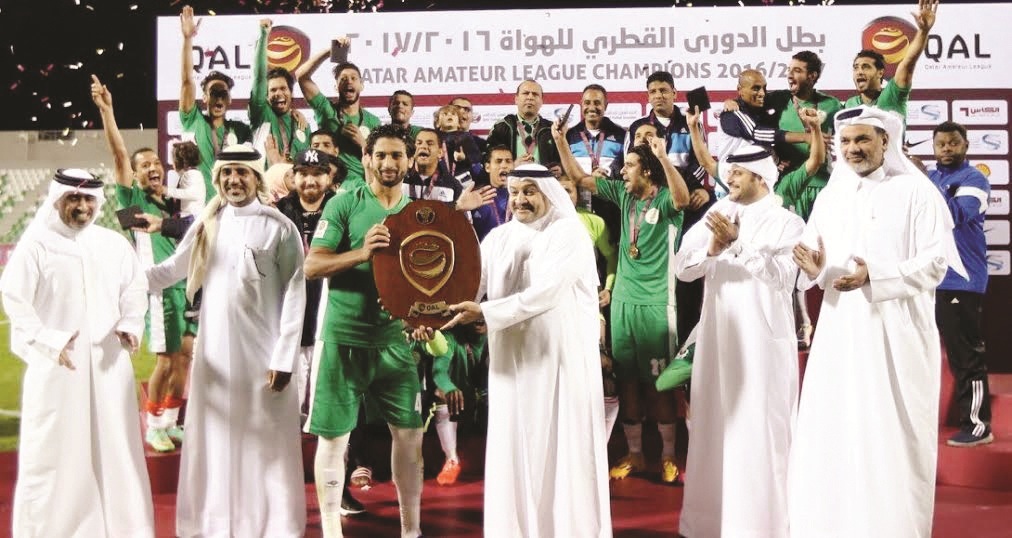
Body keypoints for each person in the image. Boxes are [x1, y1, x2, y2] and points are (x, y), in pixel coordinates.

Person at [789, 105, 965, 537]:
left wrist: (876, 275)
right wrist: (815, 269)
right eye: (846, 141)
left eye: (863, 139)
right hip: (839, 332)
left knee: (891, 437)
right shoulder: (832, 195)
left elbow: (935, 263)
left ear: (886, 141)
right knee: (836, 431)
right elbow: (818, 263)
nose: (853, 149)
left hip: (896, 334)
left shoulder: (917, 192)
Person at [442, 163, 611, 538]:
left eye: (530, 191)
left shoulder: (569, 232)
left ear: (548, 194)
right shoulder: (498, 238)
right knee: (515, 446)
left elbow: (547, 292)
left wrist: (485, 312)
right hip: (510, 362)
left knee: (559, 448)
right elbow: (471, 286)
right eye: (515, 191)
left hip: (559, 360)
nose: (520, 199)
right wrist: (434, 310)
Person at [146, 145, 308, 537]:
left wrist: (284, 358)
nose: (234, 181)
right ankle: (220, 525)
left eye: (243, 173)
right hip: (215, 357)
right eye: (227, 173)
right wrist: (115, 279)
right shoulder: (207, 225)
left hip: (265, 359)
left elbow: (295, 292)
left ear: (256, 178)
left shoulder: (279, 226)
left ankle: (275, 527)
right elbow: (169, 271)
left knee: (266, 444)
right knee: (217, 442)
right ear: (218, 179)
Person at [1, 169, 154, 538]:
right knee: (53, 452)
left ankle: (121, 528)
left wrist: (131, 323)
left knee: (116, 446)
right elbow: (15, 299)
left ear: (98, 203)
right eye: (74, 198)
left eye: (88, 199)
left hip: (108, 365)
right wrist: (48, 340)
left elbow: (134, 289)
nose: (82, 206)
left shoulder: (112, 244)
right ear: (57, 200)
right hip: (56, 367)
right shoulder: (36, 243)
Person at [673, 146, 803, 537]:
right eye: (729, 174)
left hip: (763, 342)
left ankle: (761, 526)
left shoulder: (788, 222)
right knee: (714, 425)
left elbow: (783, 278)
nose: (728, 179)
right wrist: (712, 250)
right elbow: (682, 269)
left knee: (759, 429)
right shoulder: (717, 214)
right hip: (717, 338)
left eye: (737, 174)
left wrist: (737, 246)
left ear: (761, 178)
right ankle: (710, 525)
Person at [304, 124, 426, 538]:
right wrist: (362, 252)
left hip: (395, 345)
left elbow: (428, 280)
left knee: (410, 437)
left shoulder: (420, 213)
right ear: (368, 159)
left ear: (409, 161)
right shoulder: (343, 204)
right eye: (382, 156)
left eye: (397, 156)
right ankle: (330, 531)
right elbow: (312, 266)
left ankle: (412, 531)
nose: (389, 164)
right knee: (335, 440)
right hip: (345, 340)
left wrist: (422, 317)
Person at [553, 121, 690, 483]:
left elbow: (683, 199)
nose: (621, 171)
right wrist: (558, 140)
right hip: (624, 304)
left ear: (646, 170)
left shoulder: (663, 198)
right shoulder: (624, 195)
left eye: (628, 166)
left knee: (659, 384)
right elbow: (581, 179)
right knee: (627, 380)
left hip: (658, 304)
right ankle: (634, 454)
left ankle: (669, 456)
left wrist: (663, 158)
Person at [91, 74, 193, 453]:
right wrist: (108, 112)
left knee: (184, 357)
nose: (153, 168)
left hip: (185, 287)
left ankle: (170, 420)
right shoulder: (133, 203)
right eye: (145, 165)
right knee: (166, 360)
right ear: (134, 176)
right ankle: (152, 424)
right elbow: (118, 155)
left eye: (156, 163)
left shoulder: (175, 202)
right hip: (157, 289)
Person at [929, 120, 994, 447]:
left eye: (953, 143)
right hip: (928, 279)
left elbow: (954, 215)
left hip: (961, 280)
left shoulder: (974, 178)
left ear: (965, 145)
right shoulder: (930, 177)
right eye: (941, 144)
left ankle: (979, 425)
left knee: (965, 355)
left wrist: (927, 186)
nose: (947, 149)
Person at [178, 5, 252, 198]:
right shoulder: (194, 120)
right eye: (214, 93)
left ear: (230, 99)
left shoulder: (241, 130)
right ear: (204, 98)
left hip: (232, 207)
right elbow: (187, 81)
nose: (218, 98)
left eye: (223, 93)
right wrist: (188, 40)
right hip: (200, 211)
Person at [295, 41, 381, 189]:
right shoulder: (327, 110)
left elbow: (379, 159)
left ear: (361, 85)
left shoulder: (373, 121)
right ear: (336, 87)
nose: (349, 81)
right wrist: (330, 52)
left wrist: (362, 143)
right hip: (329, 181)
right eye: (343, 79)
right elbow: (301, 76)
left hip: (361, 184)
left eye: (354, 78)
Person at [845, 0, 937, 119]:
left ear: (880, 72)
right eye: (856, 67)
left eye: (866, 66)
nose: (859, 71)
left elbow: (908, 62)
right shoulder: (849, 105)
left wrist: (924, 31)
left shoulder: (893, 94)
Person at [252, 19, 311, 164]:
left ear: (291, 93)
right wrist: (264, 35)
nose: (278, 93)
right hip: (267, 185)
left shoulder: (302, 124)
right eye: (273, 90)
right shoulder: (261, 115)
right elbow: (259, 77)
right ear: (266, 96)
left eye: (283, 88)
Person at [486, 80, 560, 165]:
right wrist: (512, 166)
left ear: (541, 101)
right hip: (511, 177)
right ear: (516, 99)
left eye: (535, 94)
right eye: (525, 93)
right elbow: (488, 161)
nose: (530, 97)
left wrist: (559, 168)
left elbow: (562, 160)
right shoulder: (501, 127)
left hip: (545, 177)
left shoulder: (552, 129)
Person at [471, 145, 517, 241]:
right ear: (488, 167)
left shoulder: (521, 197)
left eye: (508, 161)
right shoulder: (475, 197)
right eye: (498, 161)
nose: (504, 165)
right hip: (483, 254)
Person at [169, 140, 207, 217]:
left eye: (173, 160)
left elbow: (188, 194)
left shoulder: (192, 174)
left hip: (191, 220)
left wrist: (165, 190)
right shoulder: (190, 174)